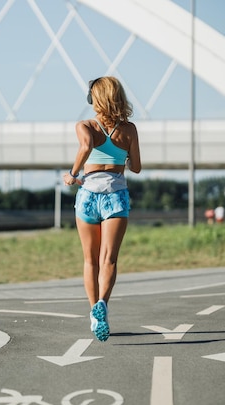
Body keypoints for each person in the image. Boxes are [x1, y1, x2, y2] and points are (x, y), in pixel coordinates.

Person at [63, 76, 142, 342]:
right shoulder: (129, 129)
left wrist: (72, 174)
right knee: (109, 259)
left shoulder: (85, 125)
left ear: (94, 98)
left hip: (87, 195)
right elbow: (137, 167)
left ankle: (93, 312)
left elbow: (86, 147)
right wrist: (123, 154)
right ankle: (104, 305)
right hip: (116, 196)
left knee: (90, 260)